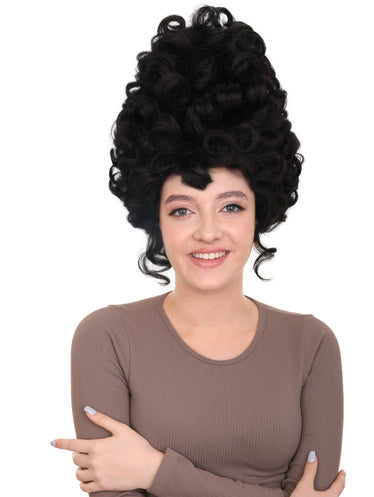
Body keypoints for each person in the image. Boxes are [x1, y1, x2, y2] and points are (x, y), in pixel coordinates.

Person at [51, 6, 346, 497]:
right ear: (157, 219)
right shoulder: (106, 338)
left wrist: (155, 473)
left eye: (230, 207)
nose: (209, 232)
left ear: (259, 212)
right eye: (183, 210)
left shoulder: (311, 346)